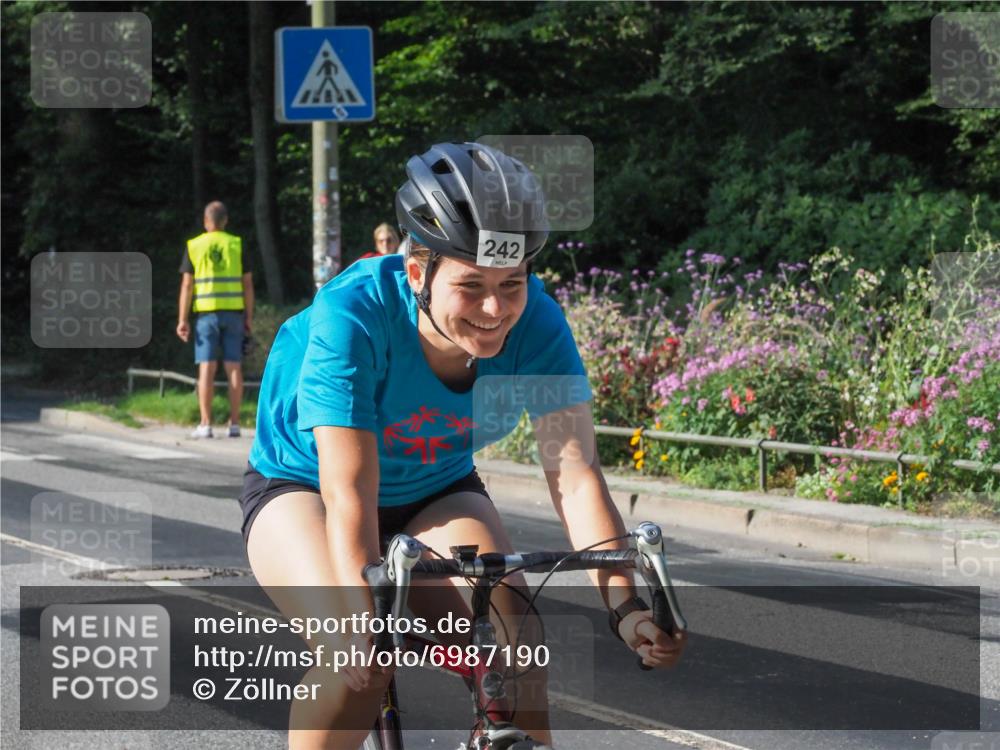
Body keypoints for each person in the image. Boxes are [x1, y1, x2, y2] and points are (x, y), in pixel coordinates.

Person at [240, 143, 686, 749]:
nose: (495, 309)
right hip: (307, 489)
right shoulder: (351, 317)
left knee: (515, 638)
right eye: (471, 285)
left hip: (436, 487)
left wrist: (626, 607)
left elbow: (576, 476)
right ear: (418, 273)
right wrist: (360, 619)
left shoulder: (539, 324)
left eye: (512, 283)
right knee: (361, 662)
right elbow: (350, 495)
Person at [176, 201, 254, 439]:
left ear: (206, 221)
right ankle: (234, 423)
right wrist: (248, 318)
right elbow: (247, 285)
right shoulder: (236, 244)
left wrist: (182, 319)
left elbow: (187, 284)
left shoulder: (195, 246)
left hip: (206, 315)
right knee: (234, 367)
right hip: (233, 313)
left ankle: (206, 423)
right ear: (225, 221)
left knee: (206, 368)